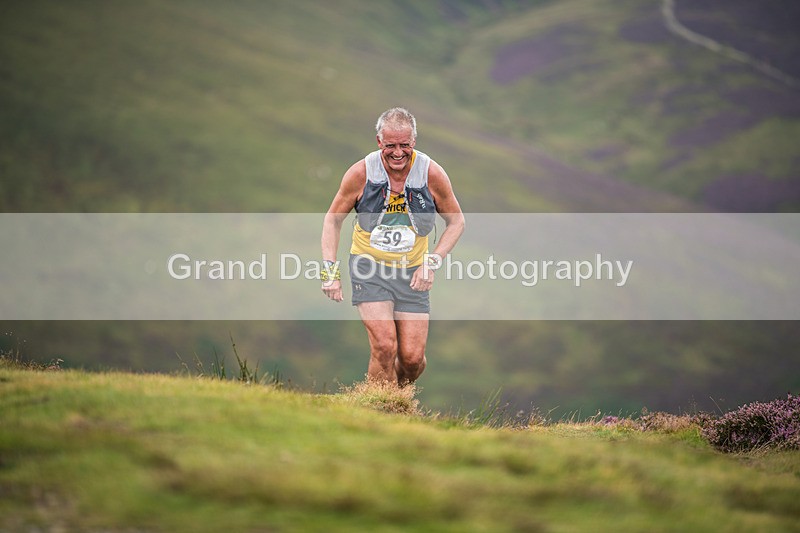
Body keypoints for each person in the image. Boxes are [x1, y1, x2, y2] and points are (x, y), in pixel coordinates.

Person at [321, 107, 465, 386]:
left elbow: (457, 221)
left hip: (412, 273)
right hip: (368, 267)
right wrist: (330, 271)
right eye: (390, 146)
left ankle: (396, 400)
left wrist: (431, 262)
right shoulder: (360, 173)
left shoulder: (431, 174)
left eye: (405, 145)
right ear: (379, 142)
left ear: (414, 142)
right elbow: (332, 221)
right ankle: (378, 408)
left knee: (411, 360)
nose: (398, 153)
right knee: (385, 347)